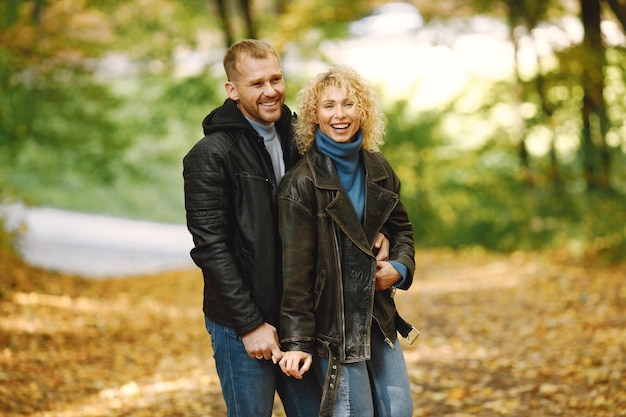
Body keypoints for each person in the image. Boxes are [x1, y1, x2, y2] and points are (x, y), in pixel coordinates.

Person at [183, 40, 389, 417]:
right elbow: (211, 249)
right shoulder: (210, 155)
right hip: (242, 323)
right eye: (256, 83)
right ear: (233, 90)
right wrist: (250, 325)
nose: (270, 91)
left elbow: (342, 197)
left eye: (276, 79)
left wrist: (375, 233)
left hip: (301, 320)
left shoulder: (301, 138)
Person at [277, 66, 418, 417]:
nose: (339, 115)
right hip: (333, 328)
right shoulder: (301, 183)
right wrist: (296, 341)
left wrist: (397, 269)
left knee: (399, 411)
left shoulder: (379, 168)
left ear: (363, 112)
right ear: (314, 116)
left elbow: (402, 231)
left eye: (349, 103)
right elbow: (294, 273)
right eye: (328, 106)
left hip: (378, 315)